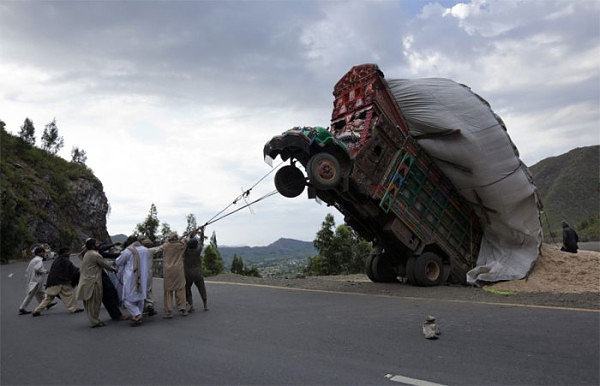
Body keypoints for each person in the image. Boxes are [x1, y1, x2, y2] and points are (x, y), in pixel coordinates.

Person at [76, 238, 117, 328]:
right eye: (96, 244)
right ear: (92, 246)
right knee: (95, 302)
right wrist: (114, 269)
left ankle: (94, 320)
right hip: (93, 282)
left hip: (85, 281)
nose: (99, 245)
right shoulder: (95, 255)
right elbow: (105, 265)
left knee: (88, 303)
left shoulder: (86, 254)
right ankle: (95, 321)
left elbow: (80, 254)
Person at [32, 247, 83, 316]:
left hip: (51, 282)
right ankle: (73, 309)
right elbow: (73, 270)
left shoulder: (57, 260)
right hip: (60, 282)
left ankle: (37, 310)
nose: (69, 253)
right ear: (64, 253)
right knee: (70, 294)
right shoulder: (65, 260)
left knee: (48, 298)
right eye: (68, 252)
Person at [115, 239, 150, 326]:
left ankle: (137, 315)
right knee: (141, 297)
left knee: (127, 299)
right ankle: (138, 315)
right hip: (143, 276)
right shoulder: (145, 250)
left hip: (132, 278)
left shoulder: (128, 251)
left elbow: (118, 262)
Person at [162, 232, 192, 318]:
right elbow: (186, 240)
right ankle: (182, 308)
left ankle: (169, 311)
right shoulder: (181, 246)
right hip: (178, 270)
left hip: (168, 271)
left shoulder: (166, 246)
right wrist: (187, 235)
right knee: (181, 289)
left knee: (168, 291)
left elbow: (166, 242)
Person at [18, 247, 54, 315]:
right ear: (39, 253)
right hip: (36, 281)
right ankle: (22, 308)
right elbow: (38, 269)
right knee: (31, 295)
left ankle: (45, 304)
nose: (44, 254)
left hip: (34, 280)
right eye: (43, 252)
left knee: (40, 292)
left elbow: (27, 271)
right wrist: (46, 271)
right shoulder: (39, 260)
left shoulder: (34, 260)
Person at [98, 242, 125, 321]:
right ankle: (117, 314)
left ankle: (115, 313)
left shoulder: (90, 253)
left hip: (99, 277)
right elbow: (106, 261)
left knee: (108, 295)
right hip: (101, 277)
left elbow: (104, 249)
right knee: (110, 293)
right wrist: (113, 269)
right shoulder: (95, 255)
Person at [184, 228, 208, 312]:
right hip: (198, 273)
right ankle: (205, 305)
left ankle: (191, 305)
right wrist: (202, 231)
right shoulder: (198, 250)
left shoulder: (185, 251)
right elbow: (201, 241)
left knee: (187, 289)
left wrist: (189, 234)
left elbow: (185, 242)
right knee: (202, 289)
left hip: (187, 274)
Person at [141, 237, 158, 316]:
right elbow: (161, 248)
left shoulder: (139, 251)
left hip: (140, 273)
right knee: (148, 289)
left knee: (141, 289)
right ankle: (149, 305)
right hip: (148, 273)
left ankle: (143, 307)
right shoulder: (150, 251)